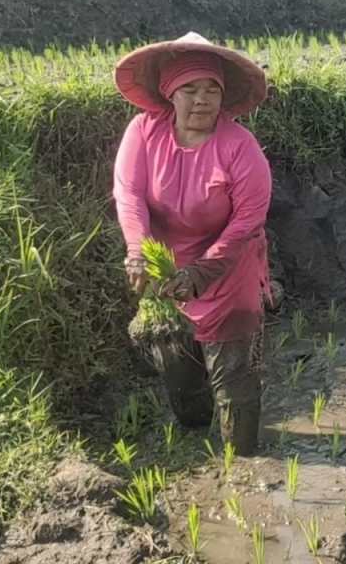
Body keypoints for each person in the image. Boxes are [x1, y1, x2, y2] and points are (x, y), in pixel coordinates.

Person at [112, 32, 272, 455]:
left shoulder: (240, 147)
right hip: (166, 277)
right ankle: (194, 444)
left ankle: (243, 459)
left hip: (228, 270)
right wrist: (137, 251)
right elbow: (129, 196)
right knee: (180, 380)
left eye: (212, 90)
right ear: (169, 93)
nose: (202, 100)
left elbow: (248, 220)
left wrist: (203, 271)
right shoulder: (144, 133)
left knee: (234, 381)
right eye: (190, 89)